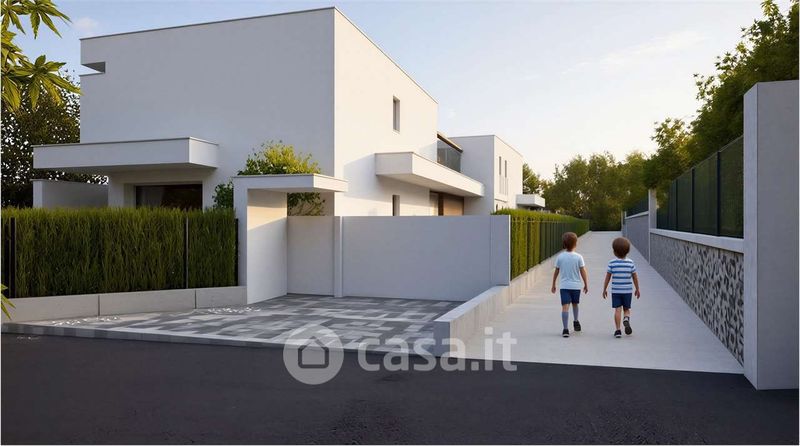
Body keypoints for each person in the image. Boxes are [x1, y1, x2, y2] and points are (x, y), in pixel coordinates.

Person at [551, 232, 588, 338]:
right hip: (576, 286)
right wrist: (586, 284)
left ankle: (565, 329)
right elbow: (583, 271)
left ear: (564, 244)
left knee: (565, 307)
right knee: (575, 304)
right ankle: (576, 321)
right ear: (576, 243)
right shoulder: (579, 257)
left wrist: (553, 284)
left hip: (564, 287)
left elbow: (556, 271)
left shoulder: (560, 257)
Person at [602, 237, 641, 338]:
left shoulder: (612, 263)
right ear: (627, 251)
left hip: (616, 291)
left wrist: (604, 289)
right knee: (626, 309)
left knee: (617, 310)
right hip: (627, 291)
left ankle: (618, 330)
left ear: (614, 252)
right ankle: (626, 318)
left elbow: (608, 277)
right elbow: (635, 277)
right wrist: (637, 289)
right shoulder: (630, 263)